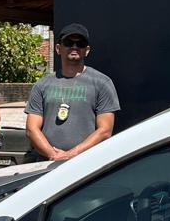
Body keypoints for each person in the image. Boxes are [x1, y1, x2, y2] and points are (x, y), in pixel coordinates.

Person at [25, 23, 119, 161]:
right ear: (58, 48)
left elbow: (105, 131)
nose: (74, 47)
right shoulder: (42, 84)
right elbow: (31, 129)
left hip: (86, 165)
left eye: (80, 44)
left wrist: (71, 155)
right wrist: (54, 155)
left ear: (86, 50)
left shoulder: (102, 83)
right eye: (69, 42)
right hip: (46, 164)